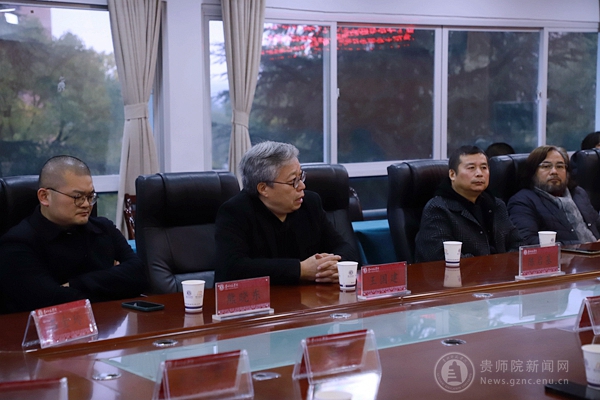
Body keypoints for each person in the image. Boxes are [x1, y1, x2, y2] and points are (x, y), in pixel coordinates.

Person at [0, 156, 147, 313]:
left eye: (90, 197)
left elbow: (139, 274)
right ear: (45, 197)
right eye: (77, 197)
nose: (86, 204)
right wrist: (114, 281)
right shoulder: (17, 243)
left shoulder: (104, 228)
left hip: (109, 322)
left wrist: (75, 284)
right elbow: (51, 303)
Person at [214, 141, 358, 285]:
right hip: (264, 297)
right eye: (293, 181)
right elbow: (233, 269)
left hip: (311, 296)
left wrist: (334, 267)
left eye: (301, 177)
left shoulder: (310, 204)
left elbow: (346, 249)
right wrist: (300, 270)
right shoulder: (235, 212)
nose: (302, 186)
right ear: (263, 188)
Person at [414, 145, 521, 262]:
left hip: (503, 272)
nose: (479, 173)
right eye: (471, 168)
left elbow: (519, 244)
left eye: (484, 167)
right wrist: (493, 266)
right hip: (460, 274)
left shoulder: (496, 205)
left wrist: (506, 266)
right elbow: (442, 257)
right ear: (452, 174)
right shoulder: (438, 209)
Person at [507, 145, 600, 245]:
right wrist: (582, 246)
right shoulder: (522, 201)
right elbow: (527, 241)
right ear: (533, 172)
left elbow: (596, 225)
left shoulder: (578, 193)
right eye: (546, 166)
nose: (554, 172)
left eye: (560, 166)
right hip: (567, 254)